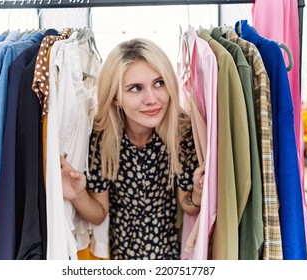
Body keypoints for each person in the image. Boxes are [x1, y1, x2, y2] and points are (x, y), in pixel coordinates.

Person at [60, 38, 205, 260]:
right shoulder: (103, 137)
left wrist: (197, 191)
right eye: (135, 88)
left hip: (170, 257)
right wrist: (79, 195)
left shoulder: (181, 133)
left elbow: (189, 205)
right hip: (122, 258)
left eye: (159, 83)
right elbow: (99, 214)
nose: (152, 99)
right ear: (116, 98)